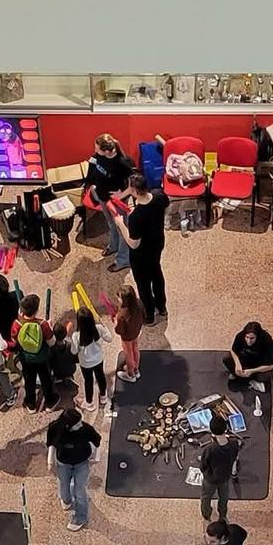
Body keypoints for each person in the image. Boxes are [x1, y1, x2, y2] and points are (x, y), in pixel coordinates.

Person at [110, 172, 169, 325]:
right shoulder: (159, 196)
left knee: (143, 284)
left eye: (131, 189)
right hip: (157, 244)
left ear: (135, 192)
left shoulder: (136, 217)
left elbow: (133, 243)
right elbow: (160, 208)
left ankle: (149, 316)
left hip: (141, 254)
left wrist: (121, 224)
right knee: (157, 275)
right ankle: (162, 307)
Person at [46, 405, 101, 531]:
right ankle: (66, 500)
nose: (80, 425)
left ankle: (80, 517)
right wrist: (50, 461)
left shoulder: (85, 429)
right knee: (63, 484)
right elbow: (52, 444)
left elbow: (97, 441)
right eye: (77, 424)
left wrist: (97, 456)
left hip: (82, 463)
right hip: (63, 463)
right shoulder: (55, 428)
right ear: (68, 426)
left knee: (80, 491)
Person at [86, 134, 134, 270]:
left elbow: (134, 185)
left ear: (107, 151)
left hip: (116, 201)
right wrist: (92, 186)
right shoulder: (99, 156)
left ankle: (123, 260)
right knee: (111, 223)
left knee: (122, 228)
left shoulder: (122, 163)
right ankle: (113, 246)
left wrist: (121, 194)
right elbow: (94, 169)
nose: (95, 150)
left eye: (97, 148)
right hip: (103, 196)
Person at [9, 294, 59, 412]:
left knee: (29, 380)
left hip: (25, 358)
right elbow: (52, 342)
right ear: (36, 311)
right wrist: (50, 327)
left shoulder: (17, 324)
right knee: (46, 379)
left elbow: (14, 340)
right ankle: (50, 402)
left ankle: (30, 404)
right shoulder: (42, 324)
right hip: (42, 358)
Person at [200, 414, 241, 522]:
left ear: (211, 430)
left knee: (206, 497)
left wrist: (207, 473)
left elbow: (203, 466)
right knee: (224, 497)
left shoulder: (209, 449)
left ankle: (206, 515)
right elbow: (235, 456)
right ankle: (222, 515)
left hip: (210, 479)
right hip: (225, 477)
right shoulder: (234, 444)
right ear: (226, 428)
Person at [70, 306, 112, 410]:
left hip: (85, 363)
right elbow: (109, 339)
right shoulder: (98, 329)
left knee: (88, 381)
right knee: (101, 377)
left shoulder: (76, 336)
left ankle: (89, 403)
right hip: (98, 359)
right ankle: (103, 397)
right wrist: (105, 326)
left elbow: (73, 351)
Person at [114, 283, 145, 380]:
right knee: (135, 348)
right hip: (136, 331)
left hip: (127, 336)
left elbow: (119, 330)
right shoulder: (139, 303)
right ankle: (136, 369)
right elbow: (144, 316)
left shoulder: (122, 315)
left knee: (128, 353)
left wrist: (116, 322)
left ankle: (130, 374)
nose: (118, 299)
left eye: (119, 298)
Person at [49, 322, 78, 392]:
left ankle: (58, 379)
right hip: (70, 370)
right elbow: (77, 360)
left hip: (57, 372)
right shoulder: (70, 346)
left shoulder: (51, 348)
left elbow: (50, 364)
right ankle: (68, 377)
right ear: (65, 334)